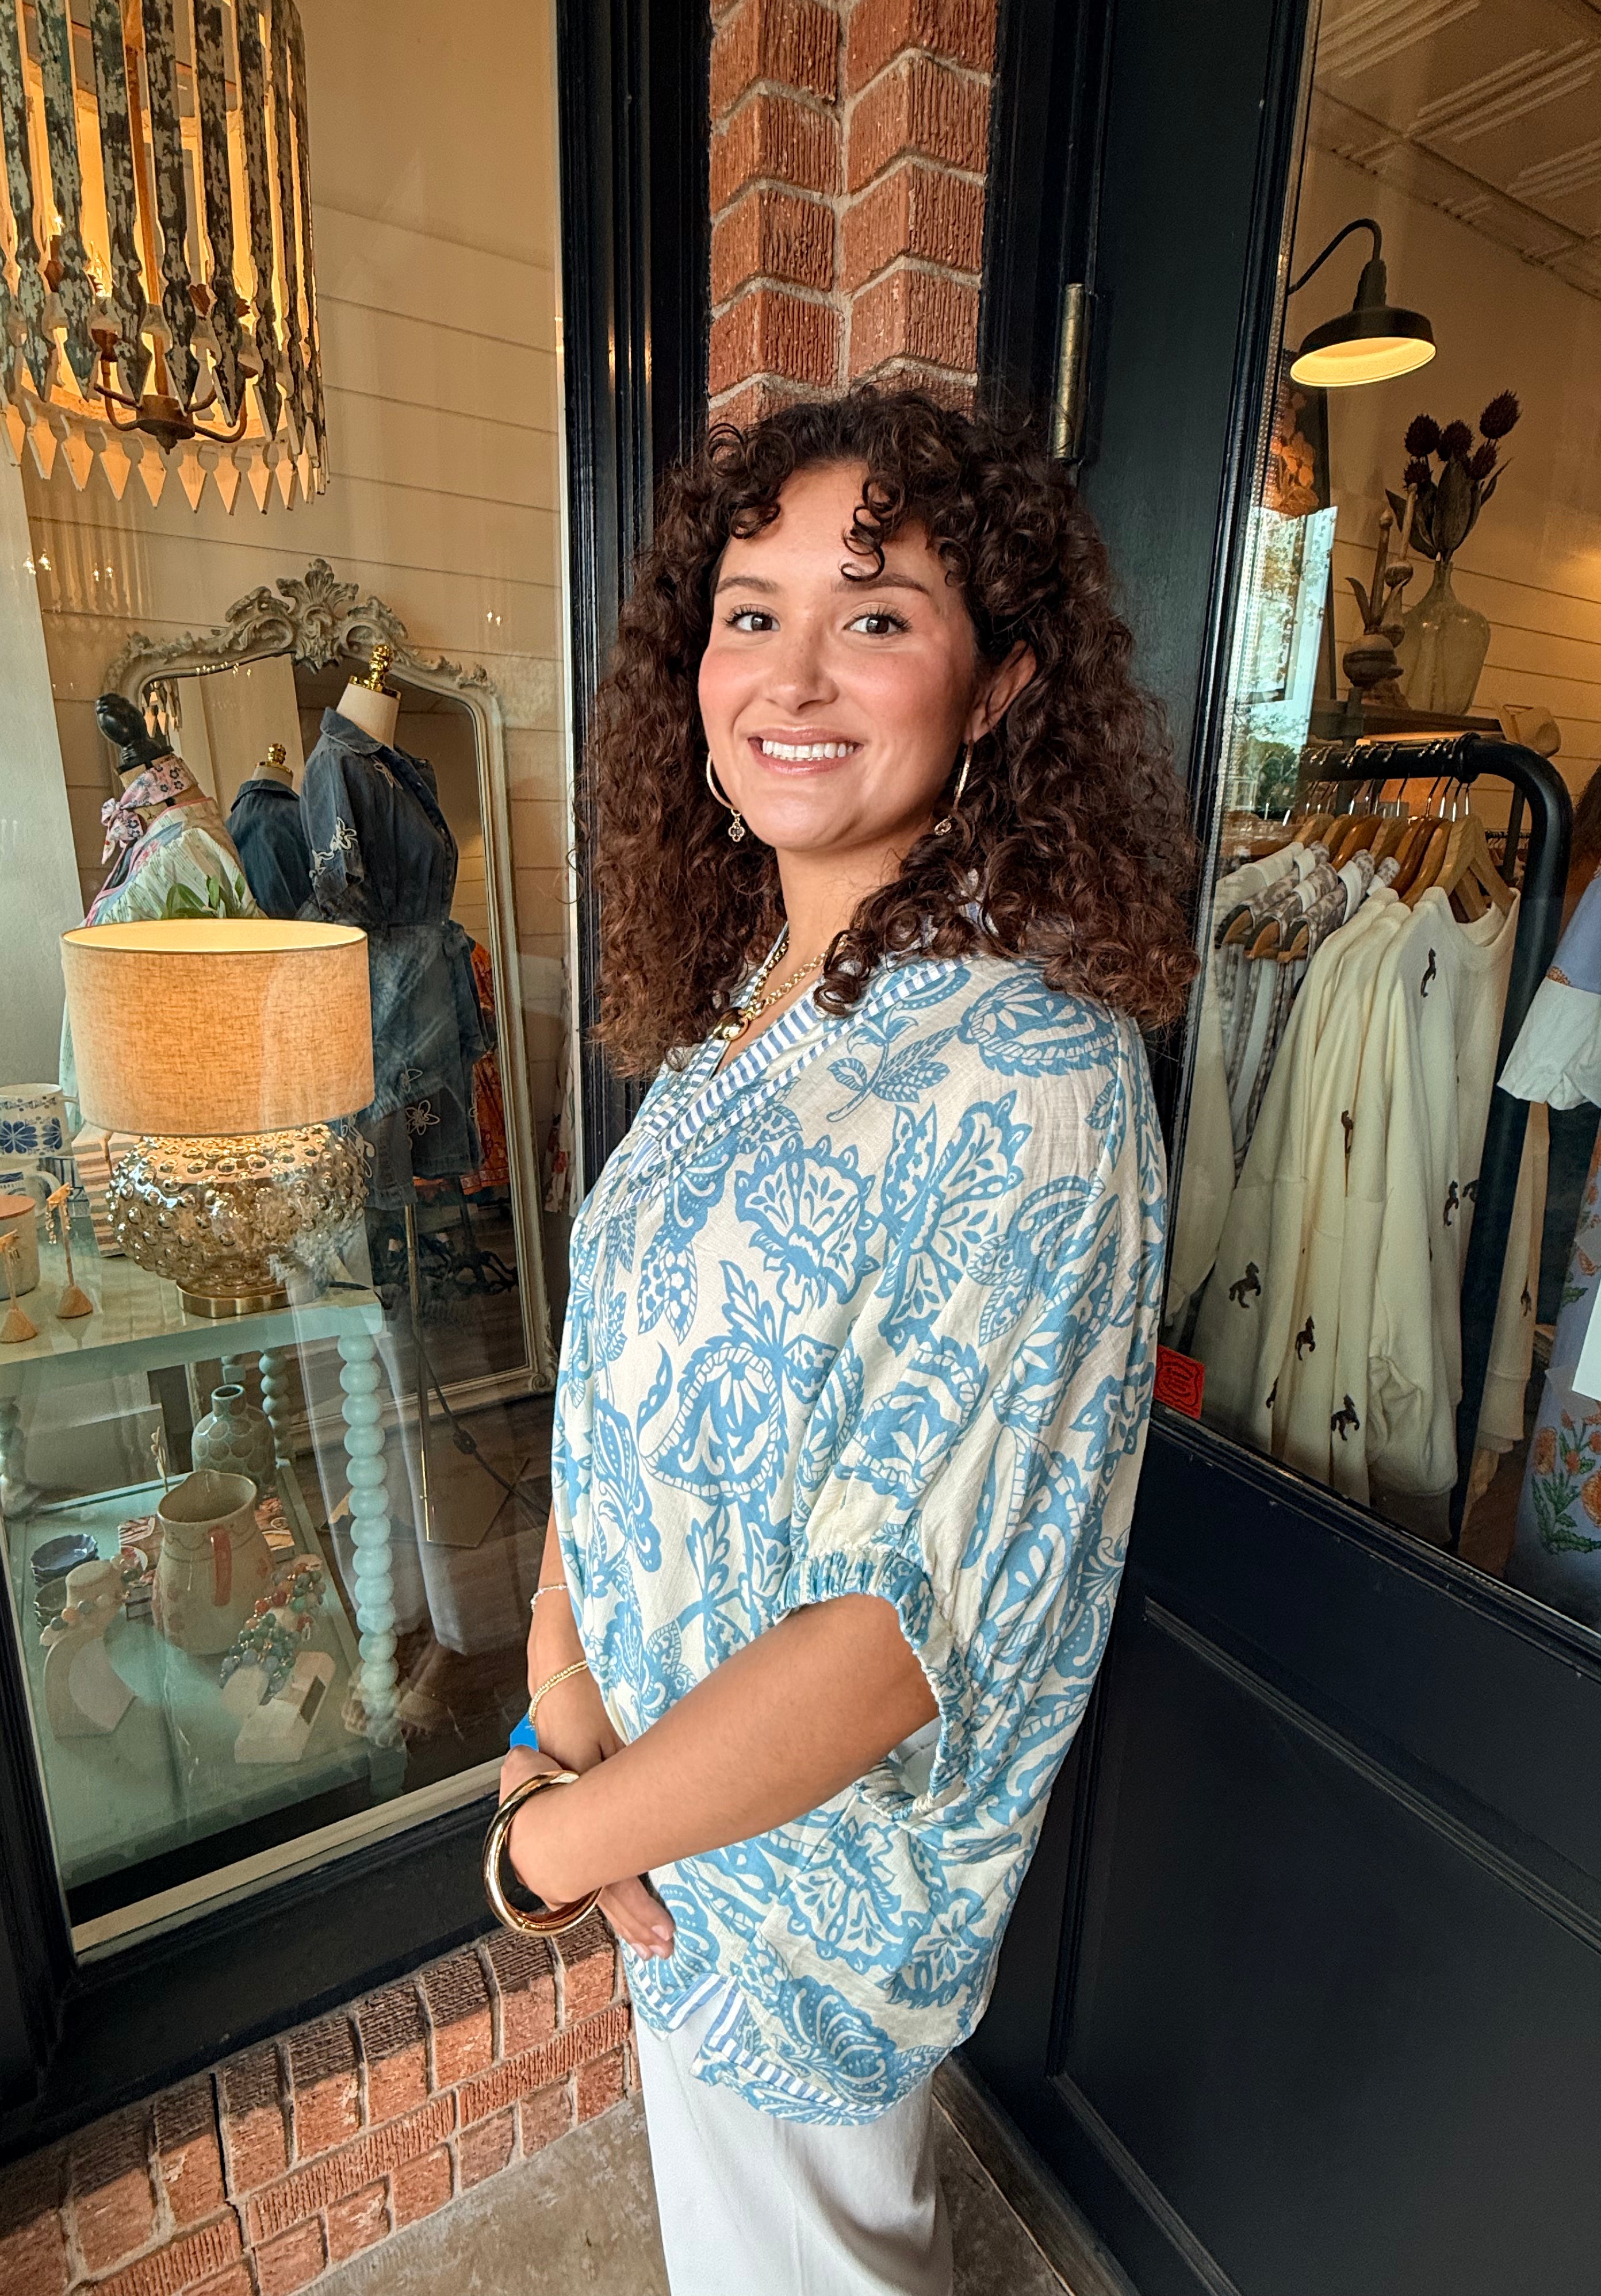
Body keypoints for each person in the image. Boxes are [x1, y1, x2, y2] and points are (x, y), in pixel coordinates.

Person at [494, 389, 1197, 2294]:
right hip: (657, 1820)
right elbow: (620, 1376)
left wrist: (549, 1854)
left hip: (805, 1900)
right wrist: (554, 1715)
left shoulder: (1029, 1074)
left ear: (1000, 684)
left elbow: (895, 1641)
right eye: (752, 612)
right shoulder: (753, 994)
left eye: (875, 615)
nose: (791, 676)